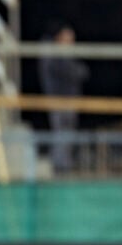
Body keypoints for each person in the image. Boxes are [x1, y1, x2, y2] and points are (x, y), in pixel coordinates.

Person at [38, 22, 89, 174]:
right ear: (59, 38)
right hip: (59, 101)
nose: (71, 42)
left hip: (68, 101)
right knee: (61, 134)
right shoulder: (55, 56)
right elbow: (74, 72)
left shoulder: (63, 57)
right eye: (68, 38)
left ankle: (63, 165)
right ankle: (60, 168)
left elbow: (81, 72)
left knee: (66, 134)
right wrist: (78, 71)